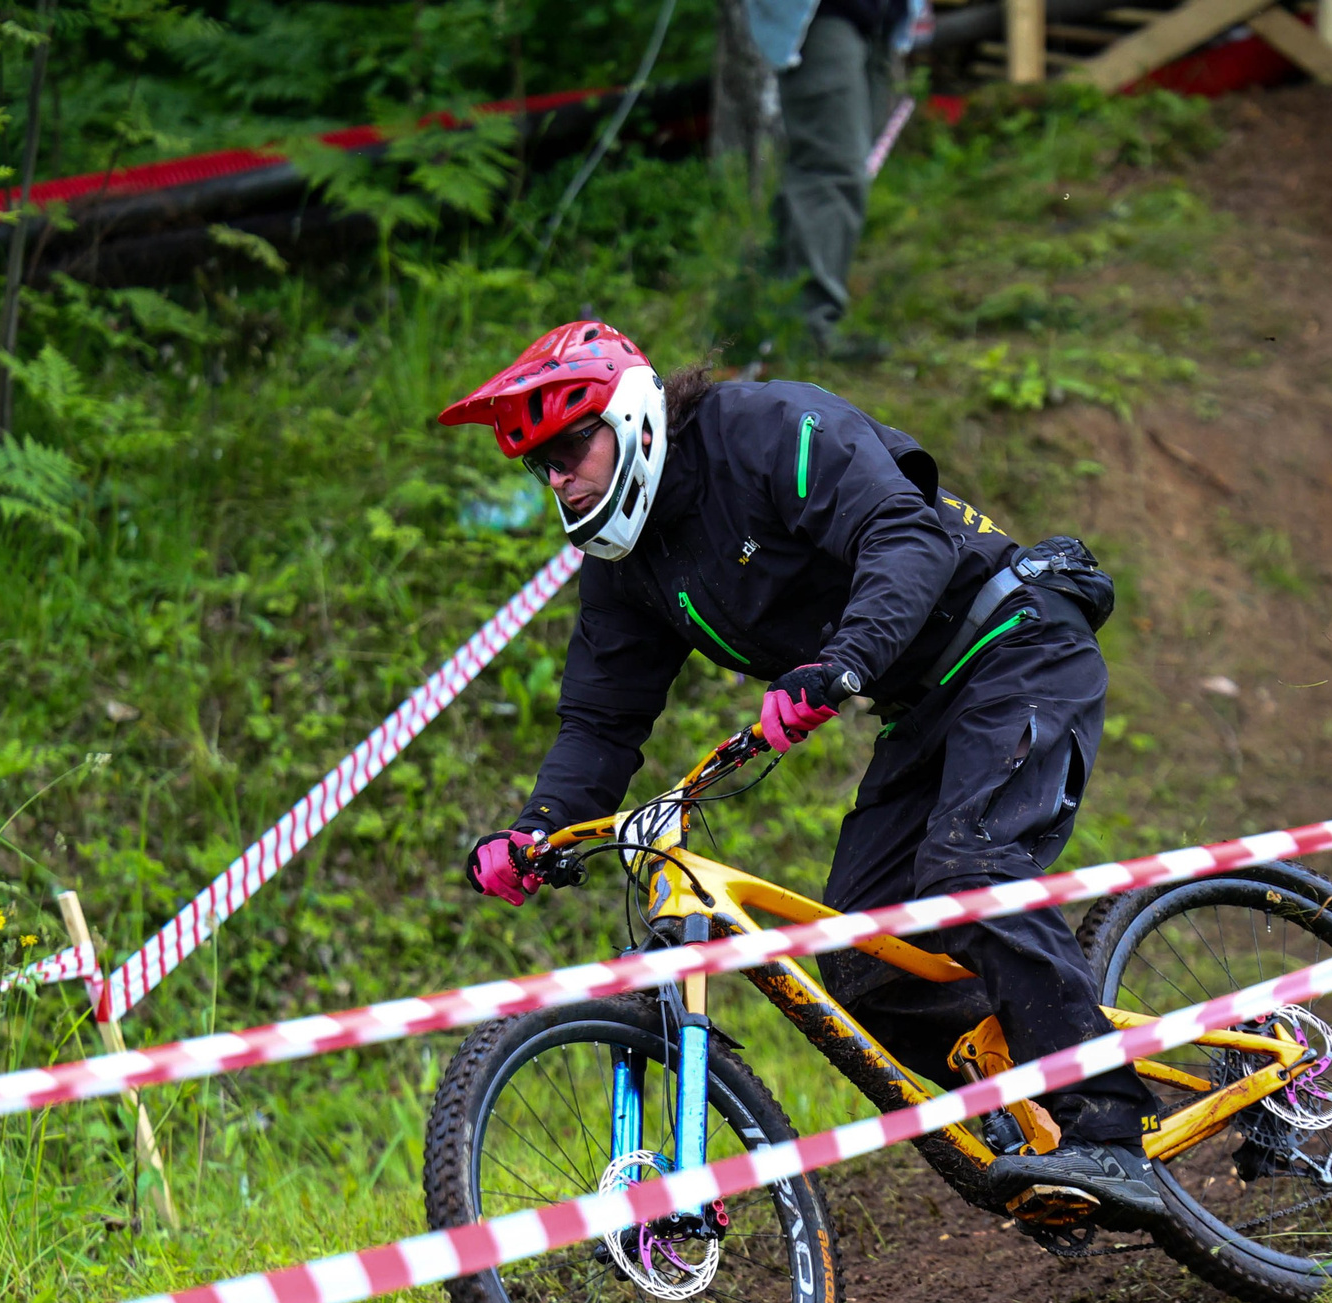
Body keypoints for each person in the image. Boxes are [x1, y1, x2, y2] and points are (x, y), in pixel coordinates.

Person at [438, 320, 1165, 1224]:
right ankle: (1035, 1125)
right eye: (537, 464)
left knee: (969, 868)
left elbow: (903, 532)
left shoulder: (766, 430)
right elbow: (601, 719)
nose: (557, 478)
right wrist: (539, 827)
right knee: (861, 963)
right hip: (924, 702)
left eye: (569, 448)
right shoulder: (626, 567)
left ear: (631, 420)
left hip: (1015, 637)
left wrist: (841, 661)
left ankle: (1108, 1125)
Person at [748, 0, 923, 356]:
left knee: (837, 164)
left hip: (875, 19)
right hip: (821, 13)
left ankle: (773, 314)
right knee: (833, 168)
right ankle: (809, 330)